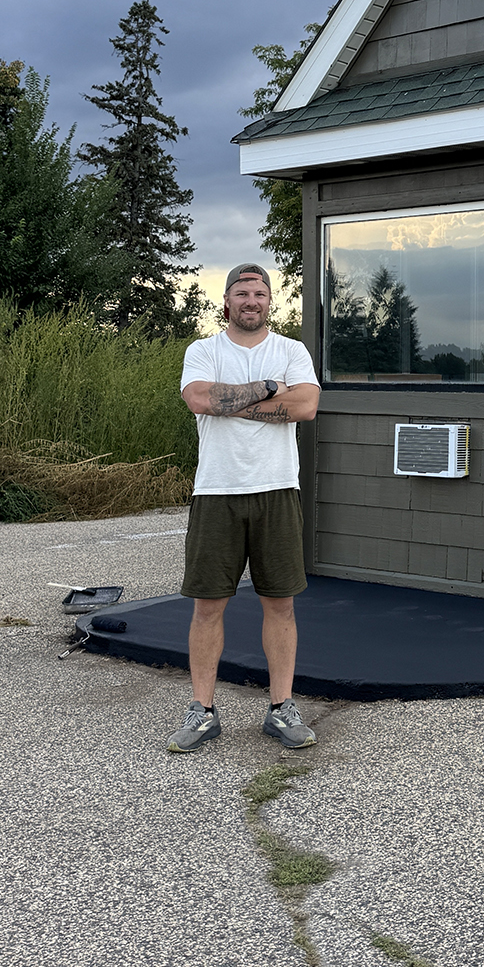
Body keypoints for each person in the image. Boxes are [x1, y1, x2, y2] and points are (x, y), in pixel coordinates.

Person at [167, 263, 321, 753]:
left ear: (270, 300)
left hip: (277, 489)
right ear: (227, 300)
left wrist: (231, 402)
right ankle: (202, 711)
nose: (251, 300)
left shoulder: (292, 351)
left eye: (259, 292)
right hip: (216, 491)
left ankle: (281, 709)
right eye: (241, 292)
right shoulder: (204, 350)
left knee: (280, 603)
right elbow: (197, 398)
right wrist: (272, 389)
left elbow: (306, 408)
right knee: (208, 605)